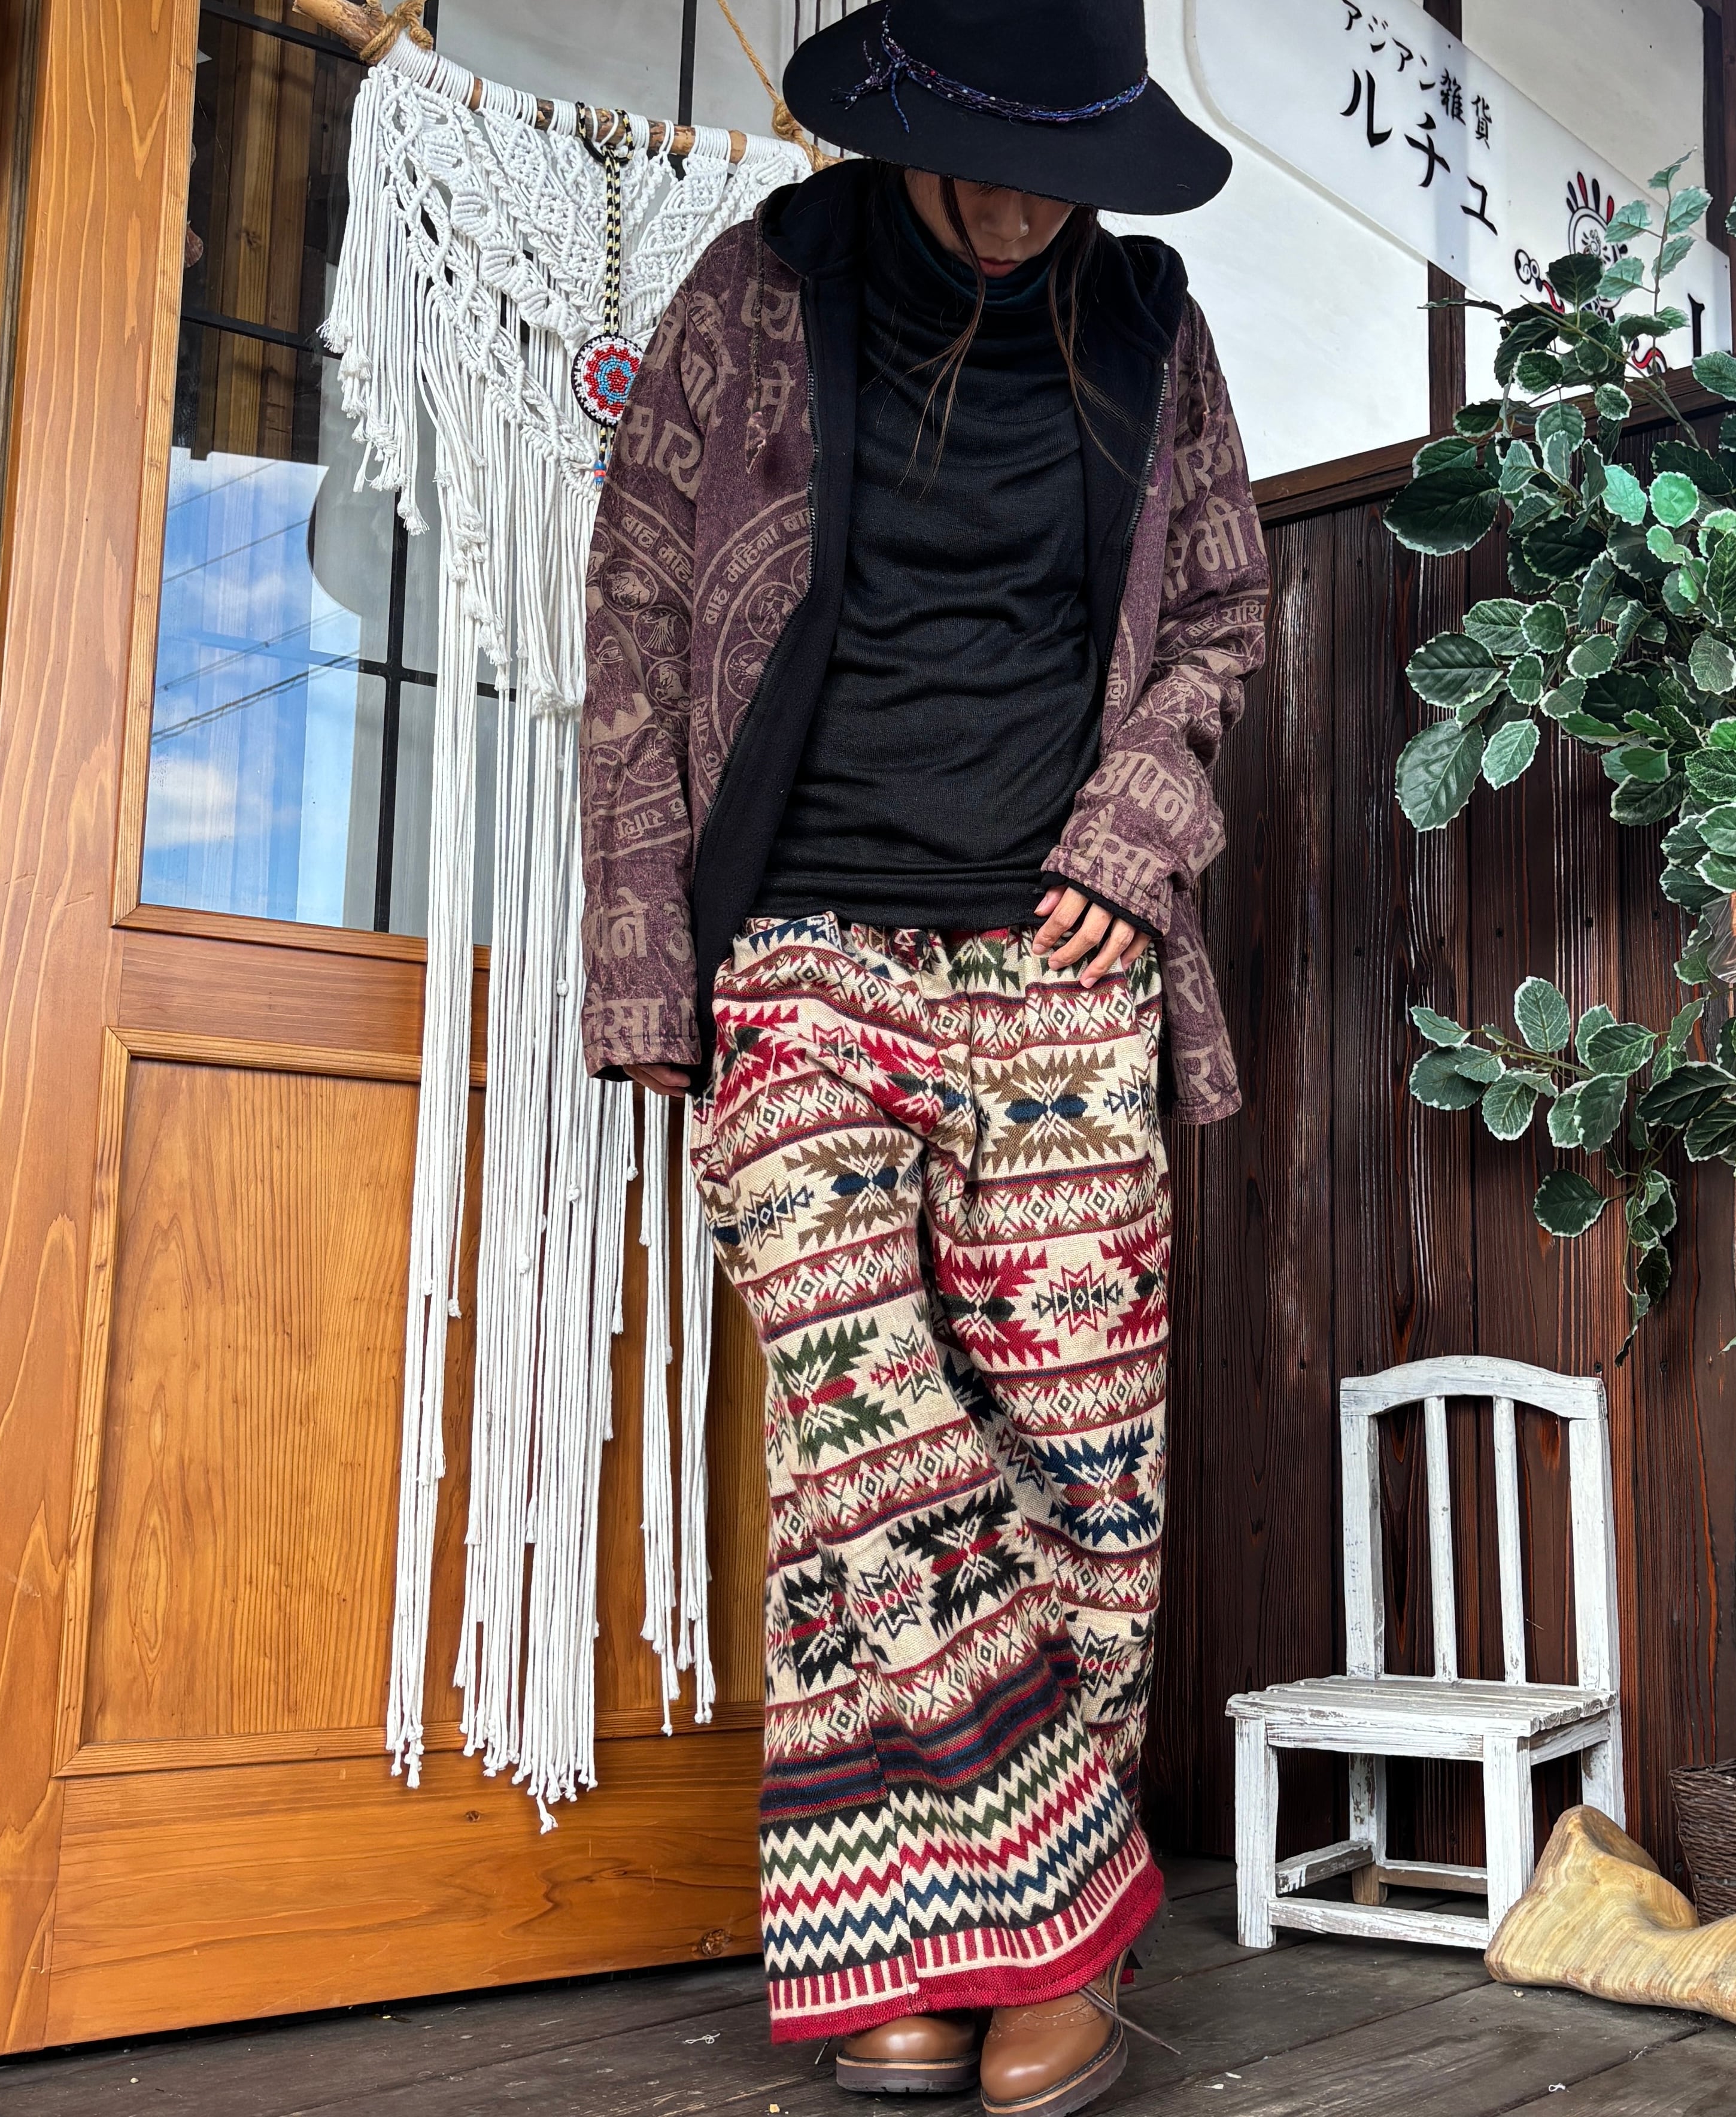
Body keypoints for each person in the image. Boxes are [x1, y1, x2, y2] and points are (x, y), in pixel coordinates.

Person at [578, 2, 1267, 2108]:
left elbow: (1223, 622)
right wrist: (647, 967)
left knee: (1085, 1461)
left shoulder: (1152, 328)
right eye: (992, 161)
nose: (1026, 208)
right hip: (801, 949)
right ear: (905, 123)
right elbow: (632, 626)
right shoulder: (757, 293)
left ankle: (925, 1935)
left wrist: (1138, 831)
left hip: (1058, 958)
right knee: (869, 1435)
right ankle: (1066, 1908)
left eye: (1068, 169)